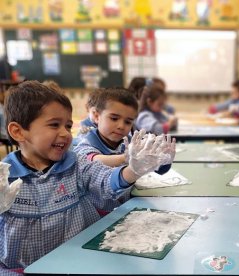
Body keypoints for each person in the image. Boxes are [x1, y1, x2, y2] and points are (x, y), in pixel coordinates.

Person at [0, 81, 174, 273]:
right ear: (18, 131)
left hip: (77, 264)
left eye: (67, 126)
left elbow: (104, 180)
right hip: (20, 269)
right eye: (54, 125)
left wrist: (134, 170)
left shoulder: (76, 164)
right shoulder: (3, 178)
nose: (65, 134)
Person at [73, 87, 172, 213]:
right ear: (97, 117)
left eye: (127, 122)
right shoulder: (86, 142)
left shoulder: (129, 141)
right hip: (99, 215)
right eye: (114, 118)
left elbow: (157, 169)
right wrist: (125, 157)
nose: (121, 126)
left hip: (126, 207)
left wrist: (163, 160)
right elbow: (93, 159)